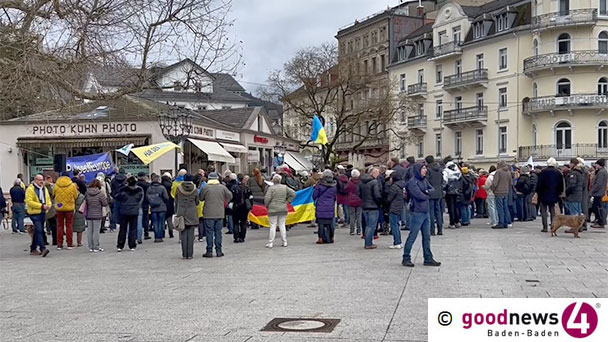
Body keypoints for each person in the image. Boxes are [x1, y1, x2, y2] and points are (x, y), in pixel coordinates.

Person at [401, 164, 441, 267]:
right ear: (418, 170)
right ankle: (406, 257)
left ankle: (428, 257)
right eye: (423, 168)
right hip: (417, 211)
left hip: (425, 211)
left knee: (427, 236)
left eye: (425, 168)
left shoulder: (424, 180)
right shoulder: (412, 182)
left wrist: (426, 192)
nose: (425, 170)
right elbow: (419, 196)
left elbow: (433, 190)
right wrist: (426, 193)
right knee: (413, 235)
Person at [200, 172, 232, 257]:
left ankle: (209, 251)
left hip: (208, 214)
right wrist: (224, 201)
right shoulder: (222, 187)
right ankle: (219, 251)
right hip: (219, 213)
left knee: (209, 232)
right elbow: (230, 195)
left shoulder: (205, 187)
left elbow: (201, 198)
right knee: (218, 232)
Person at [264, 174, 296, 248]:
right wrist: (288, 201)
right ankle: (284, 242)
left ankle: (270, 242)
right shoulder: (285, 187)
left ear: (273, 180)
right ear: (280, 180)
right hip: (283, 208)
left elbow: (267, 198)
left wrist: (267, 205)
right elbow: (293, 193)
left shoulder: (271, 188)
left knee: (273, 225)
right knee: (282, 225)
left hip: (272, 209)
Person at [25, 174, 51, 257]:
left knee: (37, 231)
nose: (41, 181)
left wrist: (48, 205)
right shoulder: (30, 189)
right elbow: (29, 202)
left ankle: (33, 248)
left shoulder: (44, 188)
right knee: (39, 230)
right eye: (39, 180)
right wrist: (40, 205)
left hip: (43, 212)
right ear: (35, 180)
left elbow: (47, 198)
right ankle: (43, 248)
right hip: (34, 213)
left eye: (42, 180)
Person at [175, 174, 200, 259]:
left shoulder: (179, 188)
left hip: (181, 212)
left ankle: (184, 253)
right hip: (191, 212)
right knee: (191, 233)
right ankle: (190, 254)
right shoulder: (194, 188)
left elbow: (176, 200)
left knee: (183, 233)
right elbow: (197, 201)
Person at [115, 176, 143, 252]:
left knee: (123, 229)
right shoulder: (139, 190)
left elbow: (117, 197)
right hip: (134, 211)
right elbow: (140, 199)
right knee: (133, 229)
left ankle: (120, 245)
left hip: (124, 210)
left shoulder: (123, 190)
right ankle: (132, 245)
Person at [536, 158, 564, 232]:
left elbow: (539, 184)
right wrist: (559, 192)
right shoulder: (558, 173)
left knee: (543, 211)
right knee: (552, 211)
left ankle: (545, 226)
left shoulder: (543, 172)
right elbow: (561, 184)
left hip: (543, 194)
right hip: (554, 194)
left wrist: (538, 192)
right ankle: (553, 225)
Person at [357, 167, 382, 249]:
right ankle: (368, 243)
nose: (378, 174)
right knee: (372, 226)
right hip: (373, 206)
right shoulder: (374, 182)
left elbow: (358, 193)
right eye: (376, 172)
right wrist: (379, 203)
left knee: (368, 225)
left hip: (364, 206)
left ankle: (368, 242)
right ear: (372, 173)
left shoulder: (361, 182)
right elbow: (377, 195)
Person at [53, 171, 79, 250]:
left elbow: (53, 194)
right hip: (69, 208)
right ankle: (69, 244)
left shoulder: (56, 185)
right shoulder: (72, 185)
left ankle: (59, 244)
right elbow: (75, 196)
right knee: (69, 226)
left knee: (60, 226)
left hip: (59, 207)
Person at [313, 170, 337, 244]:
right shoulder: (334, 186)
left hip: (321, 206)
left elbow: (314, 196)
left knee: (321, 224)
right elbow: (335, 197)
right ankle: (331, 237)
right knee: (330, 223)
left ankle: (320, 238)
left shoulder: (319, 185)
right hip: (330, 206)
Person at [85, 179, 108, 252]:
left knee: (89, 231)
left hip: (88, 214)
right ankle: (96, 247)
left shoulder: (87, 193)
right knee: (96, 231)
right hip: (97, 214)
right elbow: (105, 203)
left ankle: (90, 247)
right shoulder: (100, 193)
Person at [230, 175, 253, 243]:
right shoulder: (248, 188)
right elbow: (251, 198)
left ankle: (236, 237)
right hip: (244, 207)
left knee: (235, 223)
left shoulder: (234, 188)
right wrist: (251, 206)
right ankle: (242, 237)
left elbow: (231, 198)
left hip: (236, 206)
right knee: (243, 222)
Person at [490, 161, 513, 229]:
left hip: (498, 192)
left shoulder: (498, 172)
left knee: (500, 208)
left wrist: (492, 189)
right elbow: (510, 183)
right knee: (505, 208)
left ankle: (501, 223)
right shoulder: (508, 172)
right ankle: (506, 222)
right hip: (506, 192)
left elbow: (495, 183)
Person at [147, 174, 170, 243]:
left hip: (153, 207)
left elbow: (146, 197)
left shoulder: (149, 188)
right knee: (161, 222)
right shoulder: (162, 188)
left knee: (155, 222)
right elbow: (166, 197)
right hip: (162, 207)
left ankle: (156, 236)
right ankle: (160, 237)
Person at [425, 156, 444, 236]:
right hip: (439, 192)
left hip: (431, 192)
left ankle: (432, 230)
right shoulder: (440, 170)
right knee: (438, 211)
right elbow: (442, 180)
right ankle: (440, 230)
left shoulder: (428, 170)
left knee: (431, 212)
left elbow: (426, 181)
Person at [386, 172, 405, 249]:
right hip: (399, 206)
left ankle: (397, 242)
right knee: (396, 224)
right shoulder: (401, 185)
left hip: (393, 207)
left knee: (394, 225)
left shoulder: (394, 186)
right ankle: (399, 242)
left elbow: (389, 198)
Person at [591, 159, 607, 228]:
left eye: (596, 164)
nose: (595, 166)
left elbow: (598, 184)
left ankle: (600, 222)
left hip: (599, 193)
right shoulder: (603, 171)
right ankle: (600, 221)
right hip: (600, 192)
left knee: (597, 208)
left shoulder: (601, 172)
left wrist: (592, 191)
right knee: (598, 207)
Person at [345, 169, 362, 235]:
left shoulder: (350, 182)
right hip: (359, 200)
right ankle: (359, 230)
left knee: (352, 215)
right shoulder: (360, 182)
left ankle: (352, 230)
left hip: (351, 200)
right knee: (359, 215)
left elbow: (345, 189)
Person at [136, 172, 150, 243]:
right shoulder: (147, 185)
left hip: (137, 204)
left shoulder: (136, 185)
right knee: (146, 218)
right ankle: (146, 233)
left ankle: (137, 235)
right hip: (145, 203)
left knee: (138, 220)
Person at [161, 172, 175, 238]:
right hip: (170, 203)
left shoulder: (161, 185)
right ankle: (171, 232)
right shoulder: (171, 185)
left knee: (162, 219)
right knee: (169, 218)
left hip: (162, 203)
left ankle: (162, 232)